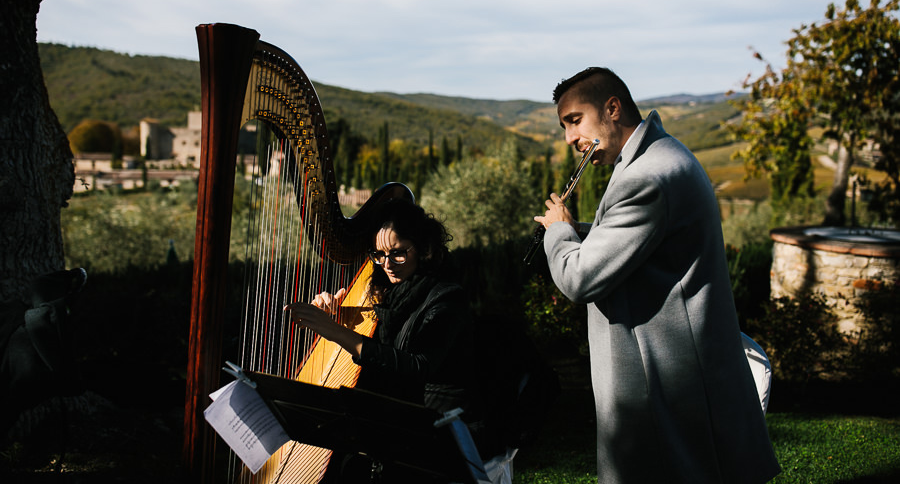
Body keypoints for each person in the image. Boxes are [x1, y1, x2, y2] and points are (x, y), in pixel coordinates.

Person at [533, 67, 780, 483]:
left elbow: (579, 279)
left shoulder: (646, 177)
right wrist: (580, 233)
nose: (570, 140)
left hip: (664, 390)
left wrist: (558, 231)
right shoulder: (657, 156)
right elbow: (642, 242)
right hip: (676, 381)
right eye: (564, 126)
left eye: (574, 121)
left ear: (612, 108)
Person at [284, 198, 491, 481]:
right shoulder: (392, 295)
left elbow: (417, 366)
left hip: (444, 427)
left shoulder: (446, 297)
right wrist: (339, 315)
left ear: (425, 249)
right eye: (379, 255)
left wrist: (337, 333)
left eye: (398, 253)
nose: (387, 264)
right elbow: (384, 340)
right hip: (402, 419)